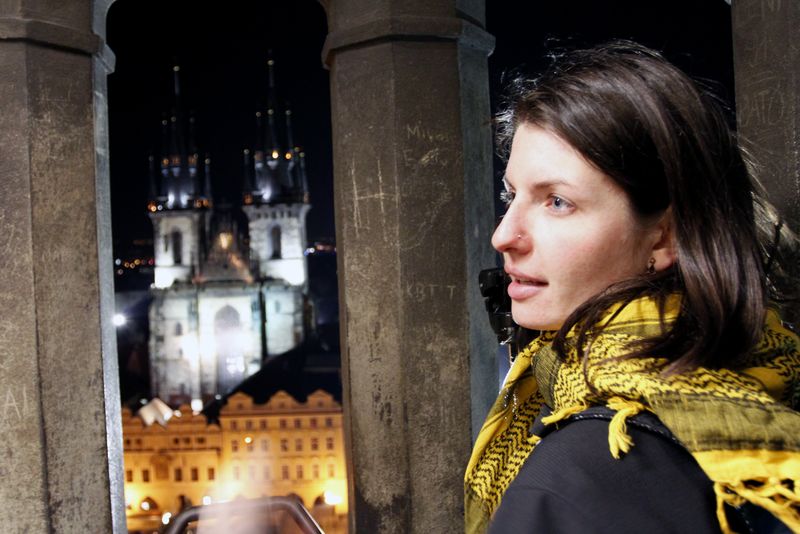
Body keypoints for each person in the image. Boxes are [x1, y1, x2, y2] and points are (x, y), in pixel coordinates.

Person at [464, 41, 800, 534]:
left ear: (665, 234)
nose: (503, 236)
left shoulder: (574, 481)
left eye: (556, 201)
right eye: (511, 195)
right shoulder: (769, 385)